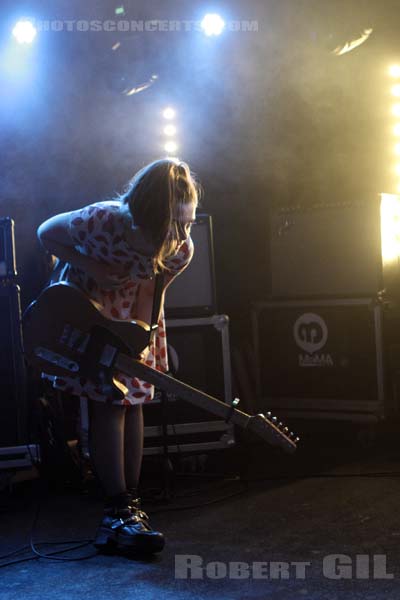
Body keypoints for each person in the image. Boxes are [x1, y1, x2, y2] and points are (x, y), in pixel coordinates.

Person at [37, 158, 200, 554]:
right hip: (86, 308)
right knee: (110, 402)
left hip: (132, 316)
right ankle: (117, 509)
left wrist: (137, 341)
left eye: (189, 223)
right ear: (147, 214)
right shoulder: (102, 221)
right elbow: (46, 234)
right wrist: (93, 264)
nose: (182, 234)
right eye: (175, 223)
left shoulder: (180, 251)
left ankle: (130, 506)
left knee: (134, 398)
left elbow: (150, 293)